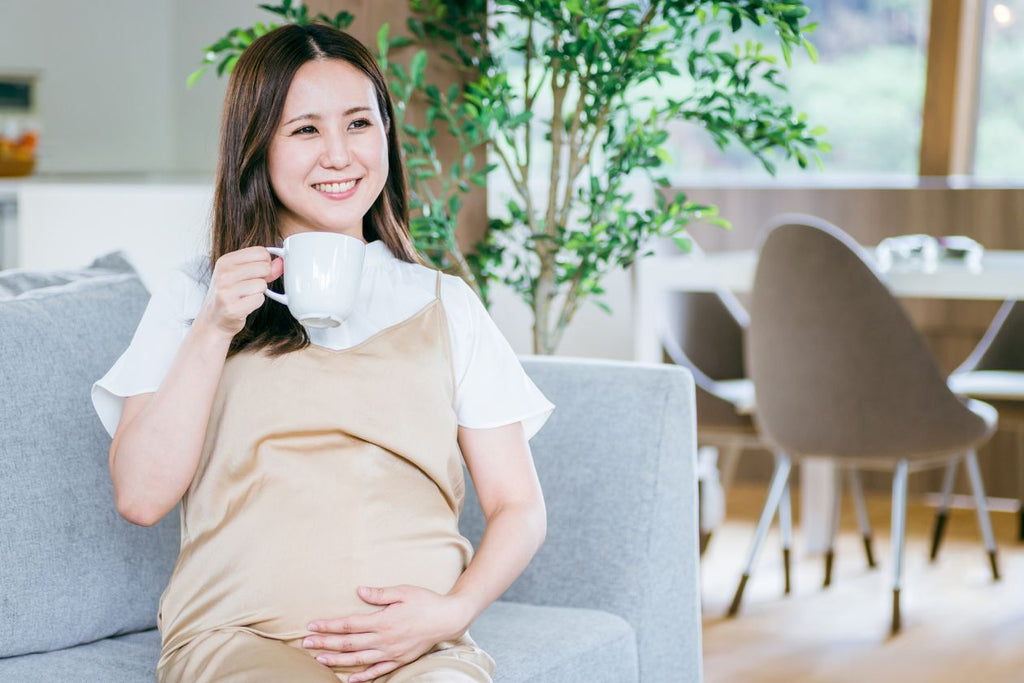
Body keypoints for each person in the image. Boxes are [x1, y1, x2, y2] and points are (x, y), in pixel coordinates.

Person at [92, 23, 552, 683]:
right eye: (305, 130)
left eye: (359, 123)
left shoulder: (445, 303)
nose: (338, 155)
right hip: (237, 638)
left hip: (418, 651)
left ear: (387, 137)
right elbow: (139, 495)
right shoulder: (197, 295)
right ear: (257, 149)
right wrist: (216, 326)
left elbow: (519, 504)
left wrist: (452, 611)